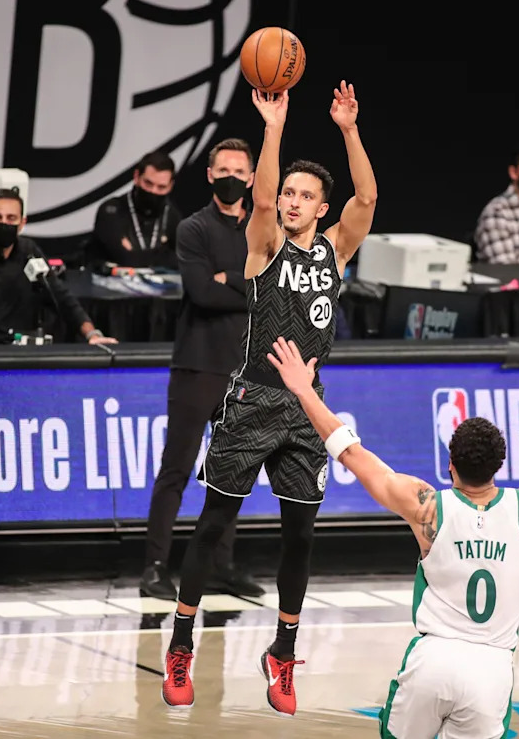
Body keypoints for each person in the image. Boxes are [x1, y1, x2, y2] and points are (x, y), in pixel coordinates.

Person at [264, 335, 519, 739]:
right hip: (491, 670)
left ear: (450, 464)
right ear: (498, 466)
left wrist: (304, 390)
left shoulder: (427, 506)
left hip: (433, 661)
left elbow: (350, 452)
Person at [161, 80, 378, 714]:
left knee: (301, 538)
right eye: (288, 192)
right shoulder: (265, 245)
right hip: (252, 400)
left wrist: (349, 130)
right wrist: (273, 128)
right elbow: (258, 196)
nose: (290, 200)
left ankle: (282, 652)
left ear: (322, 208)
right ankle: (181, 642)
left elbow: (367, 197)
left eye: (304, 195)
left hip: (308, 409)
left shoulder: (336, 249)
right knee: (213, 526)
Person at [140, 138, 264, 601]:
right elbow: (201, 293)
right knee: (176, 468)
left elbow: (269, 292)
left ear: (252, 178)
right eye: (223, 170)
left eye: (239, 171)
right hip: (197, 365)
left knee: (231, 473)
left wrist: (229, 279)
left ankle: (220, 566)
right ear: (210, 175)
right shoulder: (192, 228)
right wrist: (245, 285)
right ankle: (154, 568)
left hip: (242, 369)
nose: (231, 177)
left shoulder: (261, 229)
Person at [0, 189, 118, 346]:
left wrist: (92, 334)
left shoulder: (29, 252)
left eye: (11, 218)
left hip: (21, 350)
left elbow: (62, 298)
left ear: (22, 224)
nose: (4, 223)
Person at [85, 150, 183, 270]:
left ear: (170, 186)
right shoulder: (111, 210)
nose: (153, 191)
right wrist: (163, 253)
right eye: (148, 183)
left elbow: (184, 260)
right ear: (136, 177)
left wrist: (137, 254)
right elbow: (125, 259)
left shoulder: (171, 215)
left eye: (161, 187)